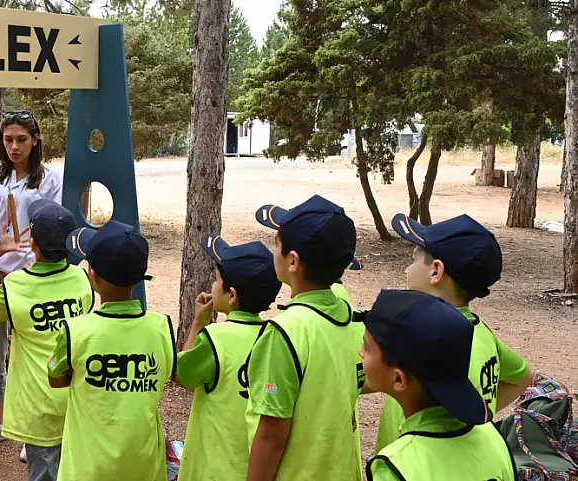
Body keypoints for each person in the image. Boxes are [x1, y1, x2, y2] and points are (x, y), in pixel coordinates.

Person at [373, 213, 534, 453]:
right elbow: (523, 378)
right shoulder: (482, 333)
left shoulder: (421, 344)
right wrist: (480, 422)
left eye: (414, 258)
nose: (407, 268)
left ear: (436, 271)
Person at [245, 195, 366, 481]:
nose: (273, 251)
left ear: (293, 261)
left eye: (277, 245)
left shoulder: (284, 333)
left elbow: (272, 434)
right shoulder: (353, 320)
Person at [49, 220, 176, 481]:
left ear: (92, 276)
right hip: (144, 466)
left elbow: (56, 378)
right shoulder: (162, 327)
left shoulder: (75, 330)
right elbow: (164, 376)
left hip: (86, 469)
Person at [0, 110, 63, 458]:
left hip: (31, 272)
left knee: (34, 351)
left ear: (35, 140)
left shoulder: (49, 179)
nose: (14, 146)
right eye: (8, 139)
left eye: (21, 139)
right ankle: (0, 420)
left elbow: (54, 226)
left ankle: (33, 428)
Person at [0, 199, 92, 481]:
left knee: (43, 474)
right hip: (75, 400)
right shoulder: (80, 279)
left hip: (37, 404)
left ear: (33, 243)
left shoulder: (16, 285)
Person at [361, 289, 516, 481]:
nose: (360, 352)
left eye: (366, 348)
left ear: (399, 380)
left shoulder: (396, 467)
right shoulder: (493, 437)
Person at [176, 235, 282, 481]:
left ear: (231, 295)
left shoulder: (215, 338)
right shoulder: (274, 336)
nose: (213, 287)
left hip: (213, 469)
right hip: (254, 466)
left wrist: (197, 323)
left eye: (216, 281)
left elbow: (184, 375)